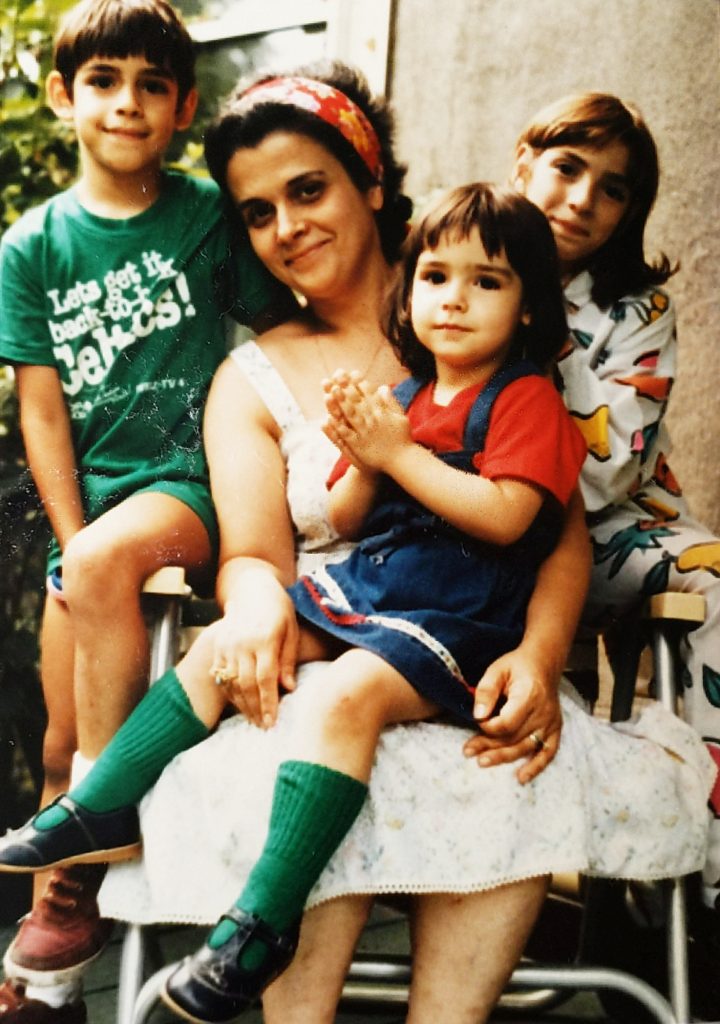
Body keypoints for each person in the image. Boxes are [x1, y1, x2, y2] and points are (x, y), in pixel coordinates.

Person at [0, 67, 714, 1024]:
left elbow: (554, 532)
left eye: (309, 190)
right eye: (257, 213)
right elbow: (265, 545)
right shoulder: (254, 376)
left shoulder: (476, 322)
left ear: (372, 184)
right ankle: (110, 815)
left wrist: (545, 659)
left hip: (469, 653)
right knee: (288, 720)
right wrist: (260, 603)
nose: (286, 227)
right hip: (324, 641)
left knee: (477, 770)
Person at [0, 1, 292, 1020]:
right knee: (55, 743)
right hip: (96, 520)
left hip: (192, 485)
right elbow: (41, 401)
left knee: (83, 755)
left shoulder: (207, 213)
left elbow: (277, 328)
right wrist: (74, 536)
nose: (127, 101)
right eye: (105, 80)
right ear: (62, 95)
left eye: (152, 86)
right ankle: (46, 981)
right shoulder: (33, 243)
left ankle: (88, 855)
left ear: (182, 109)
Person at [511, 91, 720, 915]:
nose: (582, 200)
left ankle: (701, 872)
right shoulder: (462, 260)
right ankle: (549, 881)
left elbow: (606, 470)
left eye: (612, 188)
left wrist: (546, 320)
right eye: (566, 168)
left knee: (715, 581)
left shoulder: (639, 310)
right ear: (524, 162)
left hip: (610, 536)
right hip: (473, 533)